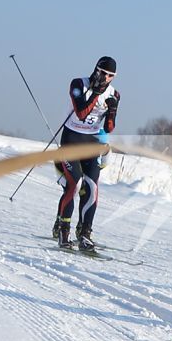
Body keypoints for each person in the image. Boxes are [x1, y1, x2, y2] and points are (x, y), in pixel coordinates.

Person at [53, 56, 119, 252]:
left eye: (110, 76)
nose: (105, 78)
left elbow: (108, 128)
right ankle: (63, 230)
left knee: (91, 187)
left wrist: (112, 111)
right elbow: (81, 113)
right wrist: (96, 94)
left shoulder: (114, 93)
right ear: (96, 69)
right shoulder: (78, 84)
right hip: (71, 140)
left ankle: (84, 233)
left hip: (91, 143)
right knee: (74, 185)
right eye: (103, 73)